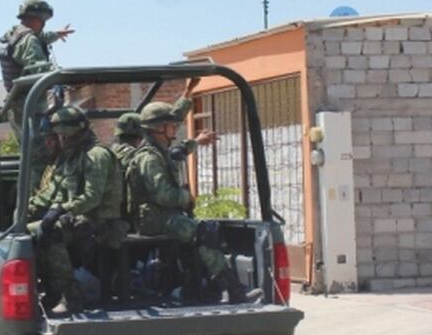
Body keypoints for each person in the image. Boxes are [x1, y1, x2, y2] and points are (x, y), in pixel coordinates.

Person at [126, 101, 260, 304]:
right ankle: (234, 290)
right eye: (170, 125)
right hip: (153, 219)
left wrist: (197, 140)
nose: (174, 128)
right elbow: (162, 195)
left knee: (198, 236)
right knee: (202, 233)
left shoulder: (160, 150)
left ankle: (197, 290)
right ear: (158, 128)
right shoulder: (149, 158)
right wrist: (186, 197)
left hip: (163, 216)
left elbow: (179, 150)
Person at [28, 105, 125, 314]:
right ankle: (51, 292)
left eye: (65, 135)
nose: (61, 140)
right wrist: (30, 208)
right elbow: (55, 190)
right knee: (28, 232)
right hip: (80, 217)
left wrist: (60, 210)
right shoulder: (70, 156)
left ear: (78, 132)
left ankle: (71, 297)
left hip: (102, 222)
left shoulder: (96, 155)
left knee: (50, 233)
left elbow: (92, 198)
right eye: (59, 136)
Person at [0, 0, 75, 139]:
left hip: (16, 104)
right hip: (30, 106)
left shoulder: (14, 33)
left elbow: (40, 37)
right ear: (39, 18)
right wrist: (61, 77)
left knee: (29, 153)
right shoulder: (29, 40)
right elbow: (39, 69)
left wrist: (56, 35)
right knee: (40, 154)